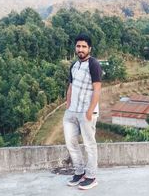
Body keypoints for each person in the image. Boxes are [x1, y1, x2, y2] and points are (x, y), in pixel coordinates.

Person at [63, 33, 102, 190]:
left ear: (89, 48)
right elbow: (71, 86)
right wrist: (68, 105)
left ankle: (91, 176)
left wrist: (90, 110)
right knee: (71, 143)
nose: (80, 49)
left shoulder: (93, 65)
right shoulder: (74, 65)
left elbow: (97, 89)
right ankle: (79, 172)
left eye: (84, 46)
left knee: (89, 144)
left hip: (86, 111)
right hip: (72, 111)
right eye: (78, 46)